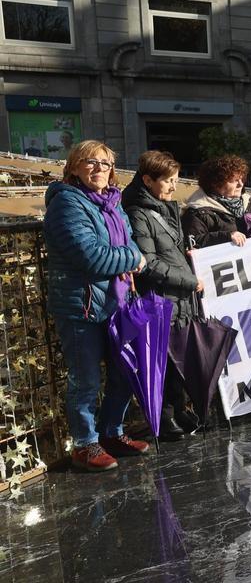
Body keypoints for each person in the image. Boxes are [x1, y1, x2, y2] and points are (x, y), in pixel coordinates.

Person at [44, 140, 148, 471]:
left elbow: (128, 239)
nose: (99, 169)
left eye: (105, 164)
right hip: (82, 308)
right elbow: (92, 257)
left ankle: (111, 432)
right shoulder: (66, 204)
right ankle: (85, 445)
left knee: (123, 374)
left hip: (116, 303)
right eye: (90, 162)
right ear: (74, 168)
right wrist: (134, 258)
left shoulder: (113, 204)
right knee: (85, 380)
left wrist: (130, 254)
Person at [121, 150, 203, 440]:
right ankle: (166, 417)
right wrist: (188, 281)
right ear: (147, 180)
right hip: (162, 297)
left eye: (176, 180)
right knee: (163, 362)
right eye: (168, 181)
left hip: (177, 297)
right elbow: (148, 263)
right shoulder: (138, 213)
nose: (173, 186)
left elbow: (171, 251)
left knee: (176, 359)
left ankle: (179, 409)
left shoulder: (165, 207)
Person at [183, 154, 251, 248]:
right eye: (234, 180)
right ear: (216, 183)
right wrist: (227, 237)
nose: (241, 184)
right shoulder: (198, 211)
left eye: (242, 179)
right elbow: (194, 241)